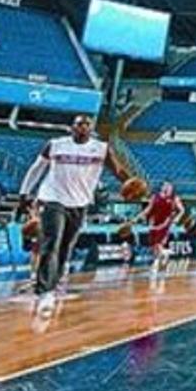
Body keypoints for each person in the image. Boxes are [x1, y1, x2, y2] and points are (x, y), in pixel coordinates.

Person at [19, 113, 132, 316]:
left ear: (91, 129)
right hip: (53, 199)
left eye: (87, 124)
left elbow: (119, 170)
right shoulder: (55, 144)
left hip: (80, 204)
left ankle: (53, 282)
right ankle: (45, 291)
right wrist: (24, 193)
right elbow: (36, 169)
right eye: (79, 124)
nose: (82, 127)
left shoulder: (101, 149)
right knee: (51, 242)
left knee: (64, 248)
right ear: (72, 127)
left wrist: (131, 183)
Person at [135, 181, 185, 274]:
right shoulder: (155, 197)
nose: (167, 188)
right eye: (166, 186)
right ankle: (163, 255)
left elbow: (182, 210)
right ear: (162, 187)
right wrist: (139, 216)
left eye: (169, 186)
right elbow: (148, 209)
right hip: (153, 222)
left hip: (165, 223)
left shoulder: (174, 198)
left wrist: (177, 218)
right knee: (153, 246)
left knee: (158, 244)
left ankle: (156, 263)